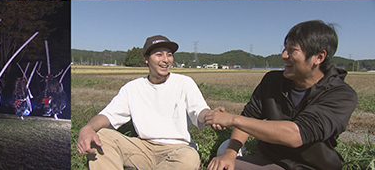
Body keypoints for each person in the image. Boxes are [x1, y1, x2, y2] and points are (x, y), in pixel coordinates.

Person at [206, 20, 358, 170]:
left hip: (312, 166)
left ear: (319, 57)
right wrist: (230, 155)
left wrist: (233, 119)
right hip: (269, 160)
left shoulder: (341, 95)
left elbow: (296, 134)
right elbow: (250, 116)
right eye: (285, 49)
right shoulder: (273, 81)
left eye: (292, 50)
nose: (284, 55)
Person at [76, 35, 214, 170]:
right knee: (101, 137)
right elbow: (108, 115)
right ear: (146, 59)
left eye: (169, 55)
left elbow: (199, 111)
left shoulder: (184, 82)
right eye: (159, 55)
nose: (166, 60)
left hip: (178, 149)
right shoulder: (132, 88)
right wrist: (88, 128)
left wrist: (210, 116)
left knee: (189, 158)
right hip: (143, 148)